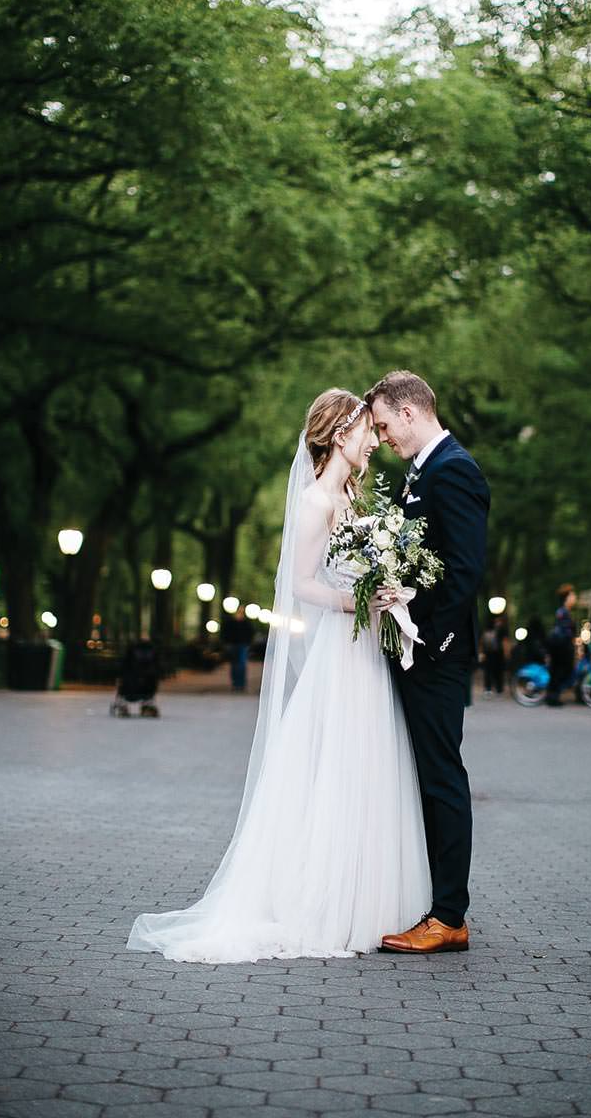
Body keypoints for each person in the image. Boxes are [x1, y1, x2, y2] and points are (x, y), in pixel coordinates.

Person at [127, 388, 430, 961]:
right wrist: (356, 602)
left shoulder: (353, 497)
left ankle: (372, 901)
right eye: (368, 429)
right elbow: (301, 585)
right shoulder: (316, 501)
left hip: (365, 651)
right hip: (341, 653)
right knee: (336, 767)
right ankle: (325, 903)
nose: (374, 440)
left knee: (369, 764)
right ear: (341, 434)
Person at [365, 370, 489, 953]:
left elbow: (463, 570)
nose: (384, 437)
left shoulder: (455, 469)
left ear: (409, 412)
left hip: (436, 655)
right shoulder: (422, 473)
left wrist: (430, 640)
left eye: (386, 425)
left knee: (442, 778)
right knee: (424, 775)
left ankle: (449, 916)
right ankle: (434, 903)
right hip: (413, 648)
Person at [545, 584, 577, 707]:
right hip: (560, 647)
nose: (574, 598)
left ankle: (553, 695)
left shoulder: (564, 612)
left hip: (561, 646)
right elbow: (565, 632)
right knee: (559, 671)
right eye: (573, 595)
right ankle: (553, 696)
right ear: (567, 597)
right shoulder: (562, 612)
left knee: (558, 671)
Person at [220, 605, 253, 693]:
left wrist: (248, 643)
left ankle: (241, 684)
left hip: (243, 645)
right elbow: (225, 633)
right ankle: (235, 684)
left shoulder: (246, 623)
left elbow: (250, 634)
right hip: (232, 645)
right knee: (234, 665)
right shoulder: (230, 622)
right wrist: (226, 643)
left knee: (242, 664)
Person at [479, 615, 509, 697]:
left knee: (488, 671)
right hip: (498, 653)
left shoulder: (486, 629)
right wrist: (507, 654)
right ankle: (499, 689)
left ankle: (488, 689)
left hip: (488, 653)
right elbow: (504, 642)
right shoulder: (501, 630)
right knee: (498, 671)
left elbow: (481, 641)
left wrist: (481, 652)